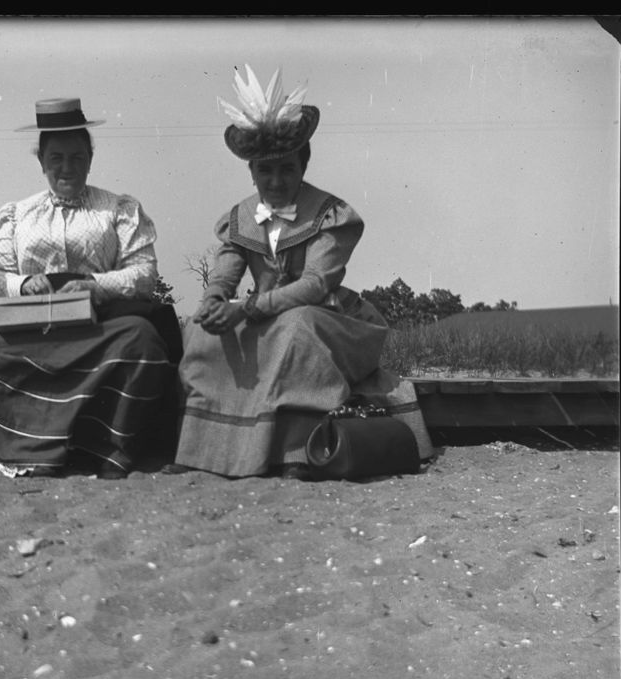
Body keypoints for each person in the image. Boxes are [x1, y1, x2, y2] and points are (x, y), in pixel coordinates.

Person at [167, 66, 430, 479]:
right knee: (200, 332)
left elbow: (315, 284)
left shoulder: (330, 214)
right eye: (265, 170)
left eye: (286, 169)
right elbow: (228, 265)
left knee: (296, 330)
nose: (275, 180)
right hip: (265, 314)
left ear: (303, 167)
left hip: (330, 317)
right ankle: (204, 453)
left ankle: (297, 453)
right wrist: (215, 299)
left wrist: (248, 308)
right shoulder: (241, 218)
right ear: (251, 171)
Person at [0, 97, 180, 480]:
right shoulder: (14, 215)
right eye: (56, 159)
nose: (67, 168)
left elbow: (144, 273)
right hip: (31, 324)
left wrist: (94, 285)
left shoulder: (117, 209)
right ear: (41, 162)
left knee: (142, 341)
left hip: (99, 322)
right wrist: (22, 284)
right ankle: (23, 446)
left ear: (90, 157)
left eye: (76, 157)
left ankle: (109, 446)